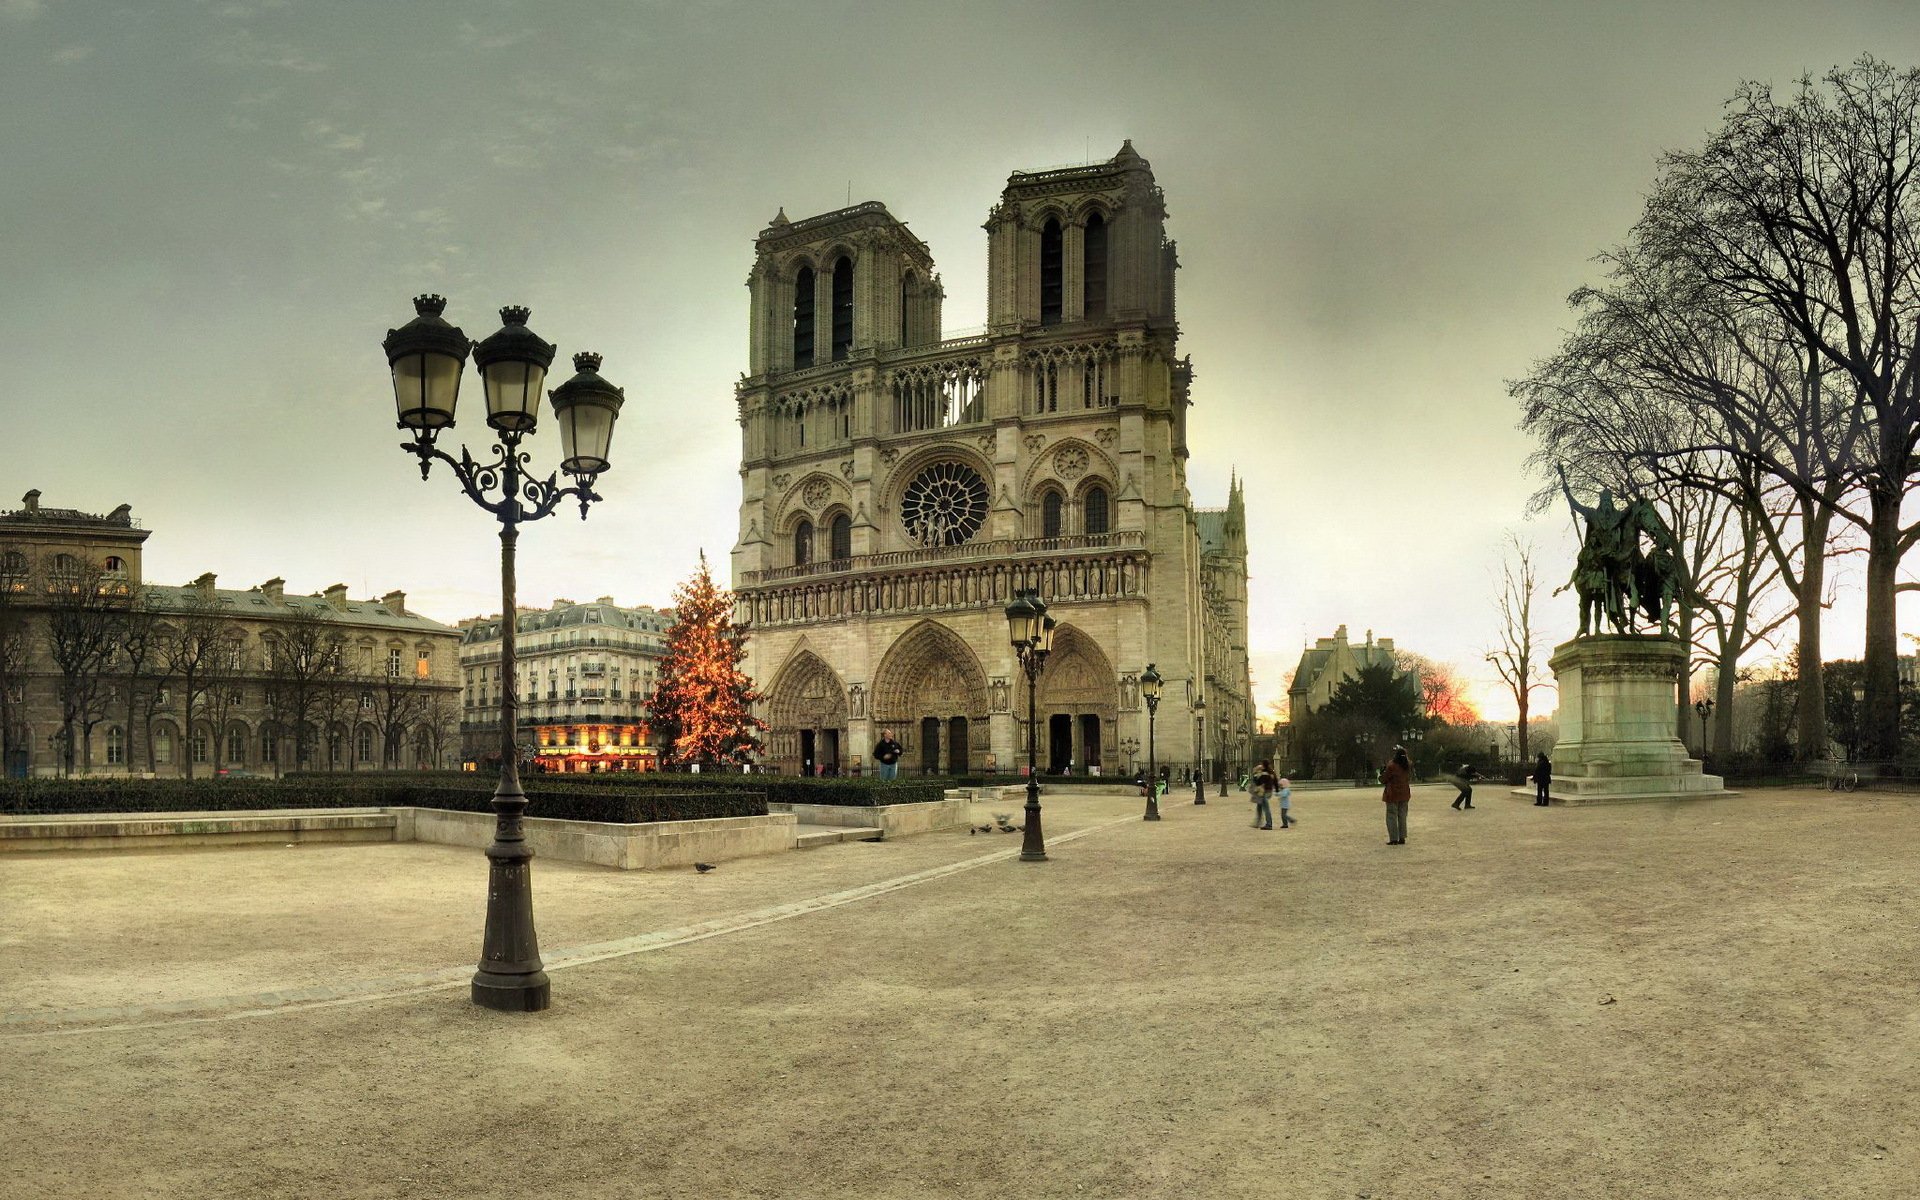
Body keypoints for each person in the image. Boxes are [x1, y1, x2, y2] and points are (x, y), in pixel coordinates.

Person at [1382, 745, 1412, 845]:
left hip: (1392, 793)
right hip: (1404, 793)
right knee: (1402, 816)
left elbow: (1384, 779)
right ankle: (1402, 837)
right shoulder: (1407, 765)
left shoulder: (1391, 765)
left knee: (1391, 816)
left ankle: (1393, 838)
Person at [1249, 759, 1276, 829]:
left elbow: (1258, 782)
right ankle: (1258, 823)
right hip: (1267, 791)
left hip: (1263, 792)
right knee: (1259, 807)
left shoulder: (1264, 773)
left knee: (1265, 808)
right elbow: (1274, 781)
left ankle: (1269, 824)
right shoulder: (1270, 772)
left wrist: (1255, 774)